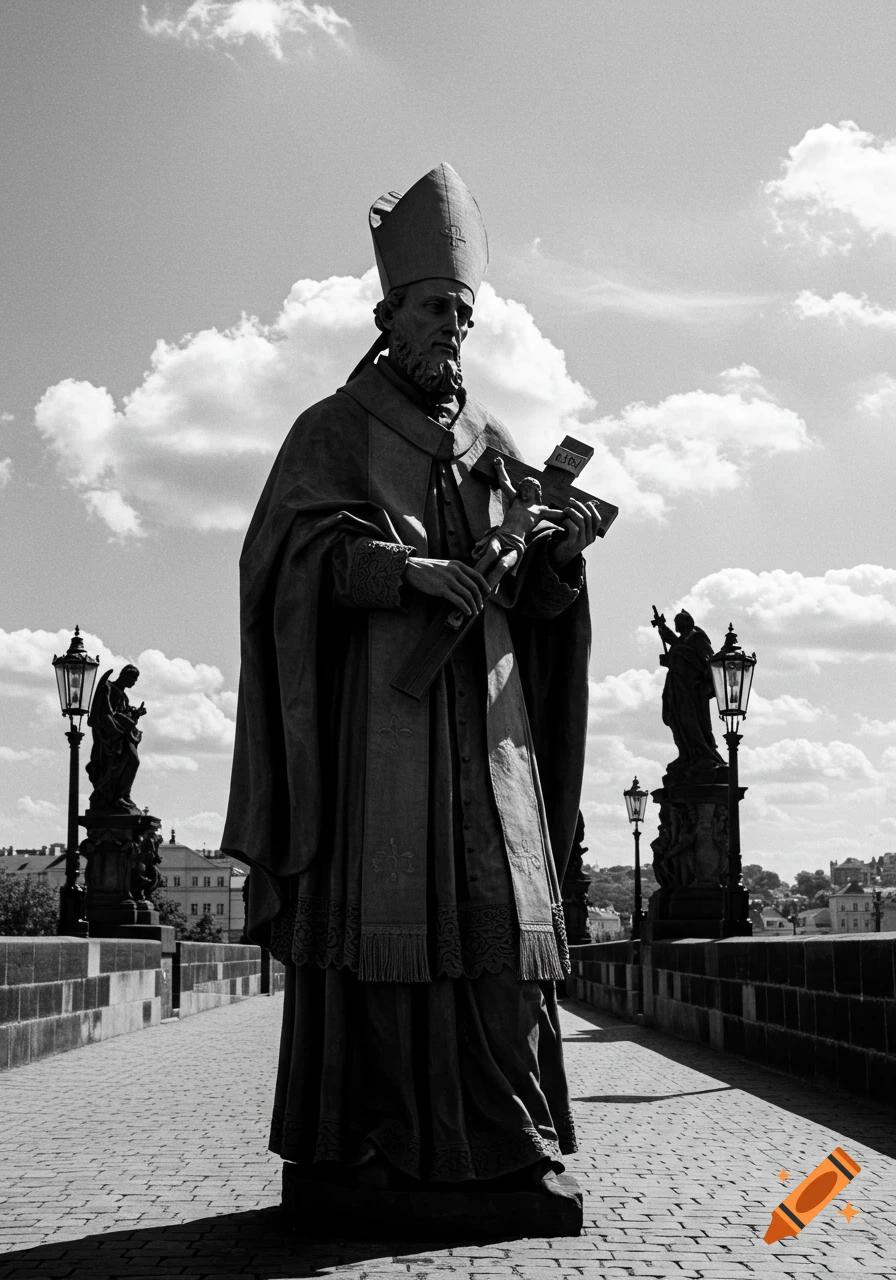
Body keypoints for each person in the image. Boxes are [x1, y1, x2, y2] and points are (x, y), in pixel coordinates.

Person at [222, 163, 601, 1193]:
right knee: (386, 934)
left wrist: (554, 555)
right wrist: (397, 569)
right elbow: (283, 567)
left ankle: (504, 1138)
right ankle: (374, 1140)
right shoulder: (329, 430)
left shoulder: (496, 446)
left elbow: (535, 602)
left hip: (489, 726)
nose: (451, 330)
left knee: (503, 913)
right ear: (387, 314)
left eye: (463, 314)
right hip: (379, 730)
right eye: (435, 309)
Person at [652, 609, 725, 780]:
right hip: (675, 686)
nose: (676, 626)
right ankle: (686, 754)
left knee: (690, 720)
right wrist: (662, 626)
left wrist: (705, 681)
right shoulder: (682, 640)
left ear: (687, 623)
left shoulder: (696, 638)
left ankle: (704, 754)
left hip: (692, 690)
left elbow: (710, 660)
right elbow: (672, 641)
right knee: (675, 720)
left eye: (678, 623)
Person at [86, 665, 146, 812]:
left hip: (123, 734)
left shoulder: (122, 694)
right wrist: (115, 732)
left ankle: (123, 795)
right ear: (125, 675)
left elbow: (122, 715)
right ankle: (117, 796)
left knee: (129, 763)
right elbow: (106, 713)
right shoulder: (109, 688)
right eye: (133, 679)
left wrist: (136, 714)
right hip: (112, 736)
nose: (134, 683)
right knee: (126, 763)